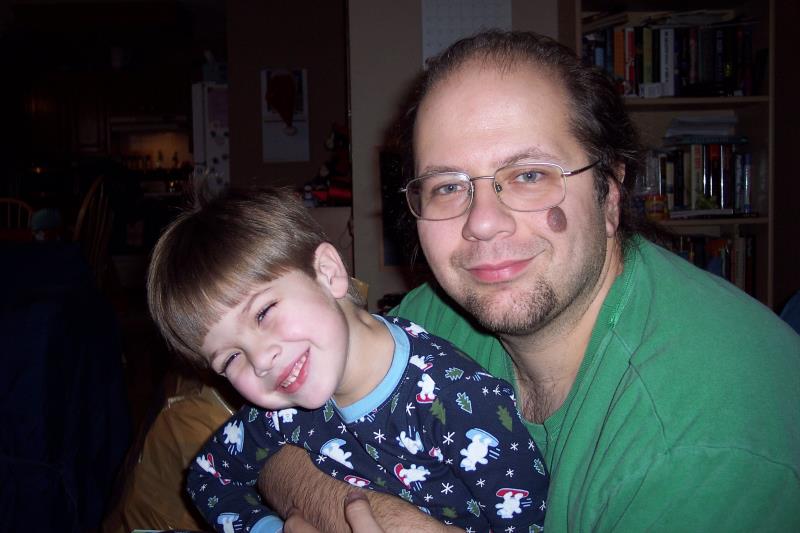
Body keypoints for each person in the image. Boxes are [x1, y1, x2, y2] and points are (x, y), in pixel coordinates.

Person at [253, 30, 800, 532]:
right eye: (448, 187)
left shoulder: (701, 448)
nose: (482, 223)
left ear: (610, 194)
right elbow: (266, 444)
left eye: (530, 175)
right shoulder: (435, 320)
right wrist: (376, 514)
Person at [146, 187, 549, 533]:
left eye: (263, 312)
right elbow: (207, 477)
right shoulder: (280, 410)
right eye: (231, 357)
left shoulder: (463, 403)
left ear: (328, 272)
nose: (261, 360)